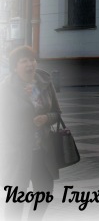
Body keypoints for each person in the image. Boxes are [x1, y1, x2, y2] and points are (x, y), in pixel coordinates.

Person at [1, 46, 62, 216]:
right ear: (15, 67)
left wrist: (46, 118)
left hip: (42, 150)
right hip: (18, 152)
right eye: (24, 61)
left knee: (44, 191)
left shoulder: (45, 83)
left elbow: (57, 113)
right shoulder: (6, 88)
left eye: (32, 60)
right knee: (16, 196)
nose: (30, 64)